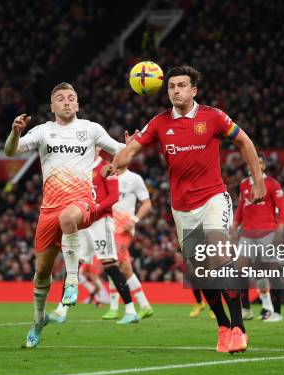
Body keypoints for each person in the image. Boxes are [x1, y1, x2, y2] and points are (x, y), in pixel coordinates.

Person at [113, 65, 265, 354]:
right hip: (182, 208)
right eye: (171, 86)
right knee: (200, 272)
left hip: (214, 197)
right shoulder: (159, 122)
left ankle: (238, 328)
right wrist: (117, 161)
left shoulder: (213, 116)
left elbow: (244, 141)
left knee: (218, 255)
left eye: (182, 85)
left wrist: (258, 181)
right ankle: (222, 326)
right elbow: (132, 149)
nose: (176, 90)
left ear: (194, 90)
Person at [4, 82, 129, 348]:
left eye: (71, 98)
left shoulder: (91, 129)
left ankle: (71, 280)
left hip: (82, 201)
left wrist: (132, 146)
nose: (67, 102)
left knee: (69, 218)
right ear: (52, 107)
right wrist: (15, 133)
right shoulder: (43, 132)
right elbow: (10, 151)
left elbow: (120, 149)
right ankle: (38, 321)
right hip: (48, 209)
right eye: (60, 99)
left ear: (78, 104)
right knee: (41, 273)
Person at [49, 149, 139, 324]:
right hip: (84, 222)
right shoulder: (79, 168)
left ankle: (131, 310)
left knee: (110, 265)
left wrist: (95, 208)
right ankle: (61, 310)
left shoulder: (107, 167)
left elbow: (113, 196)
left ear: (98, 148)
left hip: (101, 223)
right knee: (73, 266)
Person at [234, 155, 284, 322]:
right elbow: (241, 208)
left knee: (270, 271)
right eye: (252, 161)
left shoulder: (272, 184)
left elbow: (283, 210)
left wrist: (279, 232)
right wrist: (234, 227)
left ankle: (275, 312)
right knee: (240, 269)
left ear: (264, 166)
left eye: (260, 162)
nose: (256, 165)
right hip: (247, 234)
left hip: (267, 233)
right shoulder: (243, 184)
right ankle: (246, 309)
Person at [110, 166, 153, 319]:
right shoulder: (107, 175)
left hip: (124, 229)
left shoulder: (134, 178)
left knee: (116, 265)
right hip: (108, 228)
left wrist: (134, 220)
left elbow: (147, 203)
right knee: (120, 267)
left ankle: (126, 308)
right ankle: (144, 305)